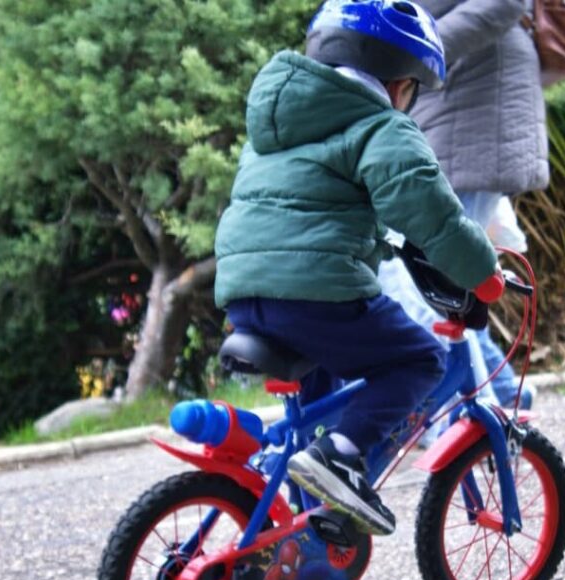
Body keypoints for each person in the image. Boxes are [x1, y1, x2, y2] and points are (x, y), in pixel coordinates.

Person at [214, 0, 502, 536]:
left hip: (243, 293)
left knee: (322, 391)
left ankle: (311, 513)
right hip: (314, 292)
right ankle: (340, 457)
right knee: (418, 360)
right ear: (399, 83)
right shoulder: (379, 125)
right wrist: (482, 273)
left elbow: (303, 208)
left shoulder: (279, 124)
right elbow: (432, 215)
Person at [376, 0, 544, 409]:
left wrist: (416, 49)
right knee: (449, 284)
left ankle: (477, 421)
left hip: (478, 110)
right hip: (454, 111)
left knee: (429, 274)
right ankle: (504, 399)